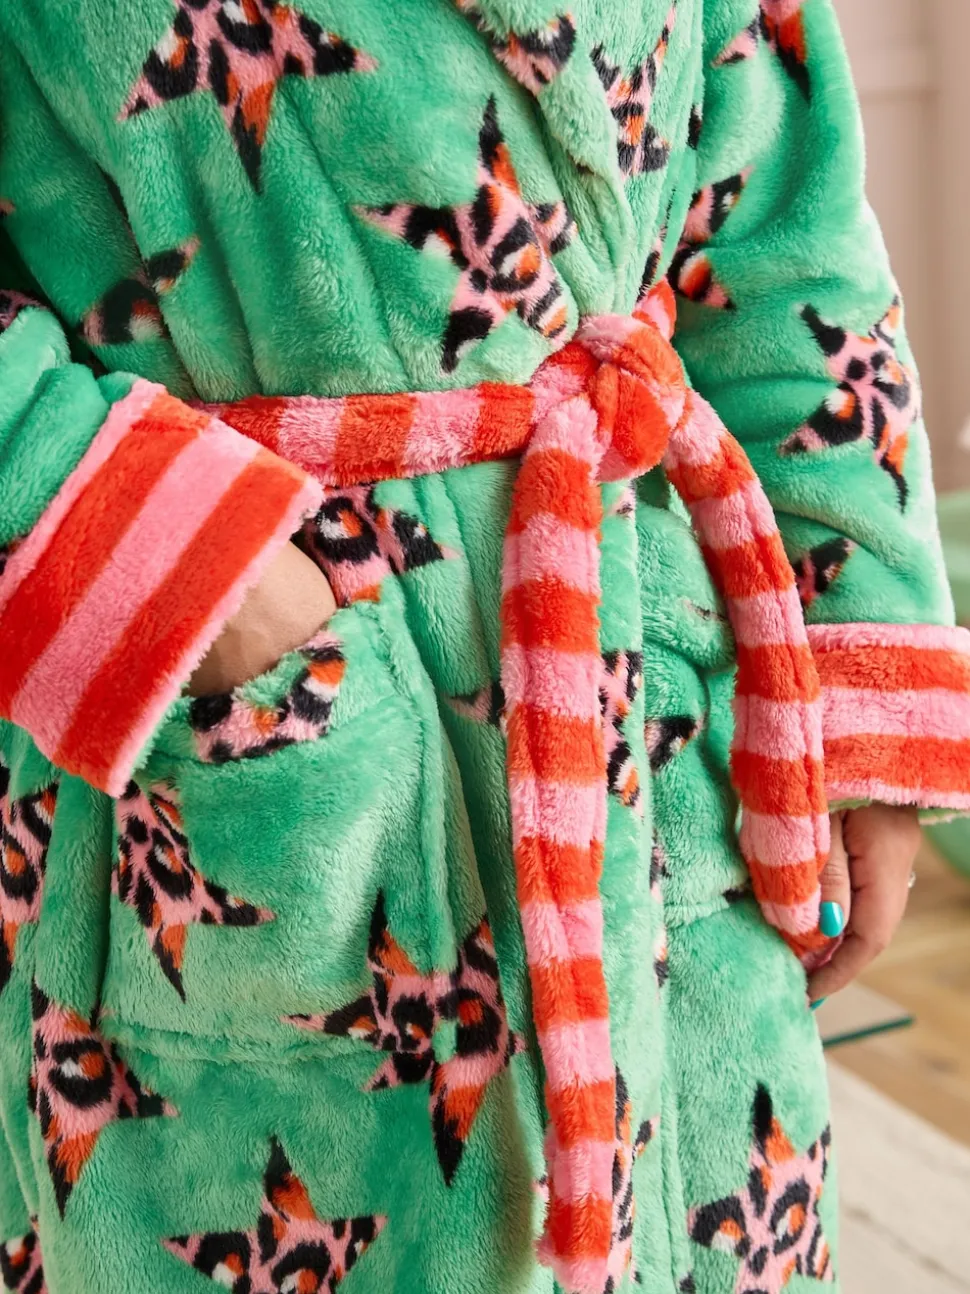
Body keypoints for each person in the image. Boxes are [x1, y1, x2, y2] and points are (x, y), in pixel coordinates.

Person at [0, 1, 967, 1291]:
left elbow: (788, 221)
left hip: (655, 691)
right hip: (252, 705)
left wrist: (858, 681)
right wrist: (215, 599)